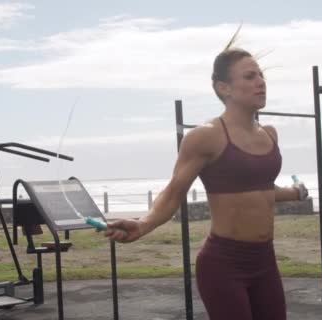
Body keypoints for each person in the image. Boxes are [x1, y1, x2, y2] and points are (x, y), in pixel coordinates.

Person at [105, 43, 307, 320]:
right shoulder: (205, 136)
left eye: (261, 76)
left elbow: (259, 188)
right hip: (224, 264)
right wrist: (143, 224)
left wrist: (295, 193)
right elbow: (174, 191)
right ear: (224, 88)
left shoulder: (269, 134)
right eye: (250, 77)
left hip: (265, 260)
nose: (261, 82)